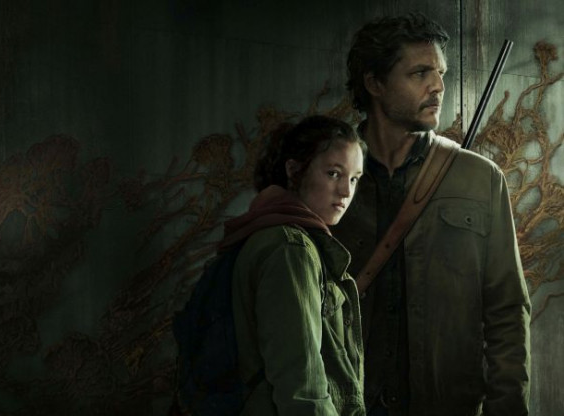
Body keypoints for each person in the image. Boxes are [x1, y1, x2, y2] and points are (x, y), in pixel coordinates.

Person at [331, 12, 531, 416]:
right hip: (345, 403)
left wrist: (507, 408)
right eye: (420, 73)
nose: (438, 85)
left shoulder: (480, 179)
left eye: (440, 73)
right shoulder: (328, 177)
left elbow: (507, 311)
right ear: (375, 84)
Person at [218, 115, 366, 415]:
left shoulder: (270, 233)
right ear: (294, 170)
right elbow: (303, 391)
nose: (346, 192)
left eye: (354, 179)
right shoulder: (291, 249)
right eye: (334, 174)